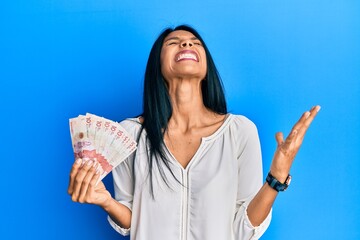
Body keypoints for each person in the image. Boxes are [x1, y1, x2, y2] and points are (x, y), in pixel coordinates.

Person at [68, 25, 320, 239]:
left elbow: (244, 229)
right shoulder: (130, 135)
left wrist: (276, 178)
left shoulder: (239, 131)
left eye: (194, 42)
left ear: (206, 65)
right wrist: (106, 201)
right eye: (173, 42)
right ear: (157, 65)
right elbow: (133, 222)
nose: (186, 43)